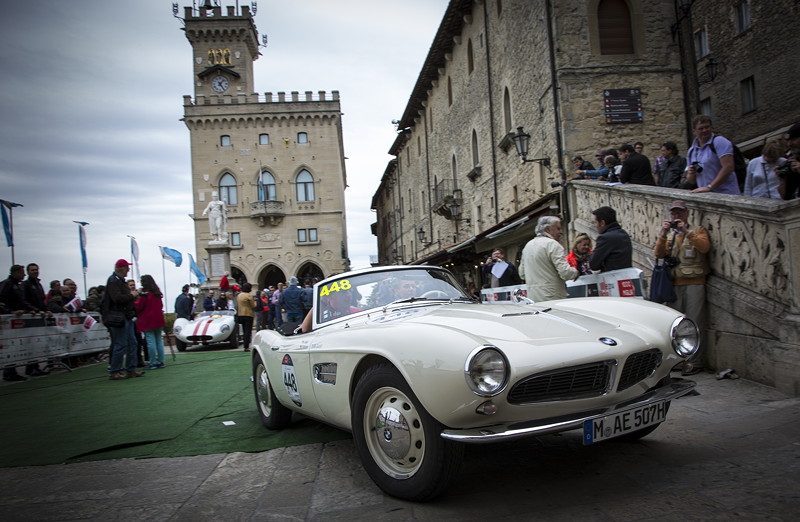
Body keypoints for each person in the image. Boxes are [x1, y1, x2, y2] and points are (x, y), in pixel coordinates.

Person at [653, 200, 710, 376]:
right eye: (673, 213)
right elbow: (658, 253)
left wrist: (687, 231)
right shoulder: (670, 235)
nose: (676, 216)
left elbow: (704, 247)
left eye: (679, 213)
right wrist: (663, 233)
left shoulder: (697, 230)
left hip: (694, 282)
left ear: (686, 214)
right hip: (674, 283)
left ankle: (695, 361)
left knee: (695, 322)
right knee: (676, 327)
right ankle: (678, 361)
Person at [518, 216, 578, 302]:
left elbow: (522, 274)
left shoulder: (527, 246)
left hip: (533, 297)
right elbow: (565, 273)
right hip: (553, 297)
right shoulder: (553, 244)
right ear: (548, 229)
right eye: (558, 228)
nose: (561, 232)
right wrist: (575, 272)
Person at [102, 259, 145, 380]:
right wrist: (132, 295)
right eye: (127, 267)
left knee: (133, 343)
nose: (128, 270)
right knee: (120, 344)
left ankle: (131, 369)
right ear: (121, 268)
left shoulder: (119, 281)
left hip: (126, 316)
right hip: (118, 318)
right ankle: (115, 371)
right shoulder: (113, 281)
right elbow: (117, 298)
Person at [1, 265, 39, 382]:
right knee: (10, 346)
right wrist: (9, 312)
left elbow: (22, 302)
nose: (24, 275)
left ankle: (14, 371)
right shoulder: (7, 284)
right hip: (9, 321)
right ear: (16, 272)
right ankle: (9, 372)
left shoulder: (18, 285)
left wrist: (35, 310)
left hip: (18, 320)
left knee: (19, 346)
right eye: (22, 272)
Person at [685, 115, 740, 194]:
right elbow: (691, 181)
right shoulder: (692, 150)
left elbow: (728, 167)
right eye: (701, 128)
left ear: (711, 128)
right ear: (694, 131)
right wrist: (691, 173)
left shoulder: (719, 142)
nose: (704, 130)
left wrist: (710, 187)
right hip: (707, 196)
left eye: (707, 127)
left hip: (726, 194)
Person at [22, 263, 51, 377]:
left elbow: (43, 301)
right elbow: (23, 300)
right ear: (28, 271)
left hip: (40, 317)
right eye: (32, 270)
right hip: (31, 317)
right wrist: (34, 310)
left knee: (37, 343)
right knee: (30, 343)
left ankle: (35, 367)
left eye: (36, 270)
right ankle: (30, 368)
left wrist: (46, 310)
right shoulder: (26, 284)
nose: (35, 271)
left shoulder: (38, 284)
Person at [135, 275, 166, 370]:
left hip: (148, 320)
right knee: (158, 340)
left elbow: (138, 306)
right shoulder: (157, 294)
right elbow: (161, 306)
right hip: (158, 319)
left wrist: (136, 298)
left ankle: (152, 362)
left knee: (150, 341)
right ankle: (160, 360)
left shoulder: (145, 295)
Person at [589, 206, 632, 273]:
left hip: (612, 279)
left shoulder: (605, 238)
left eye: (595, 222)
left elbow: (593, 264)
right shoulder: (624, 234)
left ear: (602, 223)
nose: (595, 225)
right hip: (626, 277)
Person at [778, 123, 800, 200]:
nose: (789, 144)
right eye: (788, 140)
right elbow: (784, 196)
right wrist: (782, 180)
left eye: (793, 139)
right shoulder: (791, 163)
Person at [236, 283, 255, 350]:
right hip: (248, 314)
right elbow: (253, 305)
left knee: (244, 331)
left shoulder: (239, 295)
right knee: (248, 331)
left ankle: (245, 344)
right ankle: (246, 346)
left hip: (240, 314)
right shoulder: (249, 296)